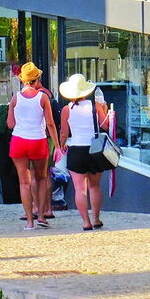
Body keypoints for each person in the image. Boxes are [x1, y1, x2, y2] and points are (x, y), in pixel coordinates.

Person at [7, 62, 61, 230]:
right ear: (37, 79)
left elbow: (10, 124)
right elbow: (50, 124)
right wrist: (57, 146)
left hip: (19, 141)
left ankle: (29, 221)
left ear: (23, 80)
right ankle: (42, 216)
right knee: (42, 178)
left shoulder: (15, 98)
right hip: (38, 140)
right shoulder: (42, 98)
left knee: (24, 182)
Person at [58, 73, 109, 231]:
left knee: (80, 189)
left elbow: (64, 133)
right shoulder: (96, 106)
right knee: (95, 186)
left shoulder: (66, 109)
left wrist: (61, 146)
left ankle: (86, 222)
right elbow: (105, 126)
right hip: (94, 149)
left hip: (76, 149)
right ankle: (96, 219)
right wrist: (105, 108)